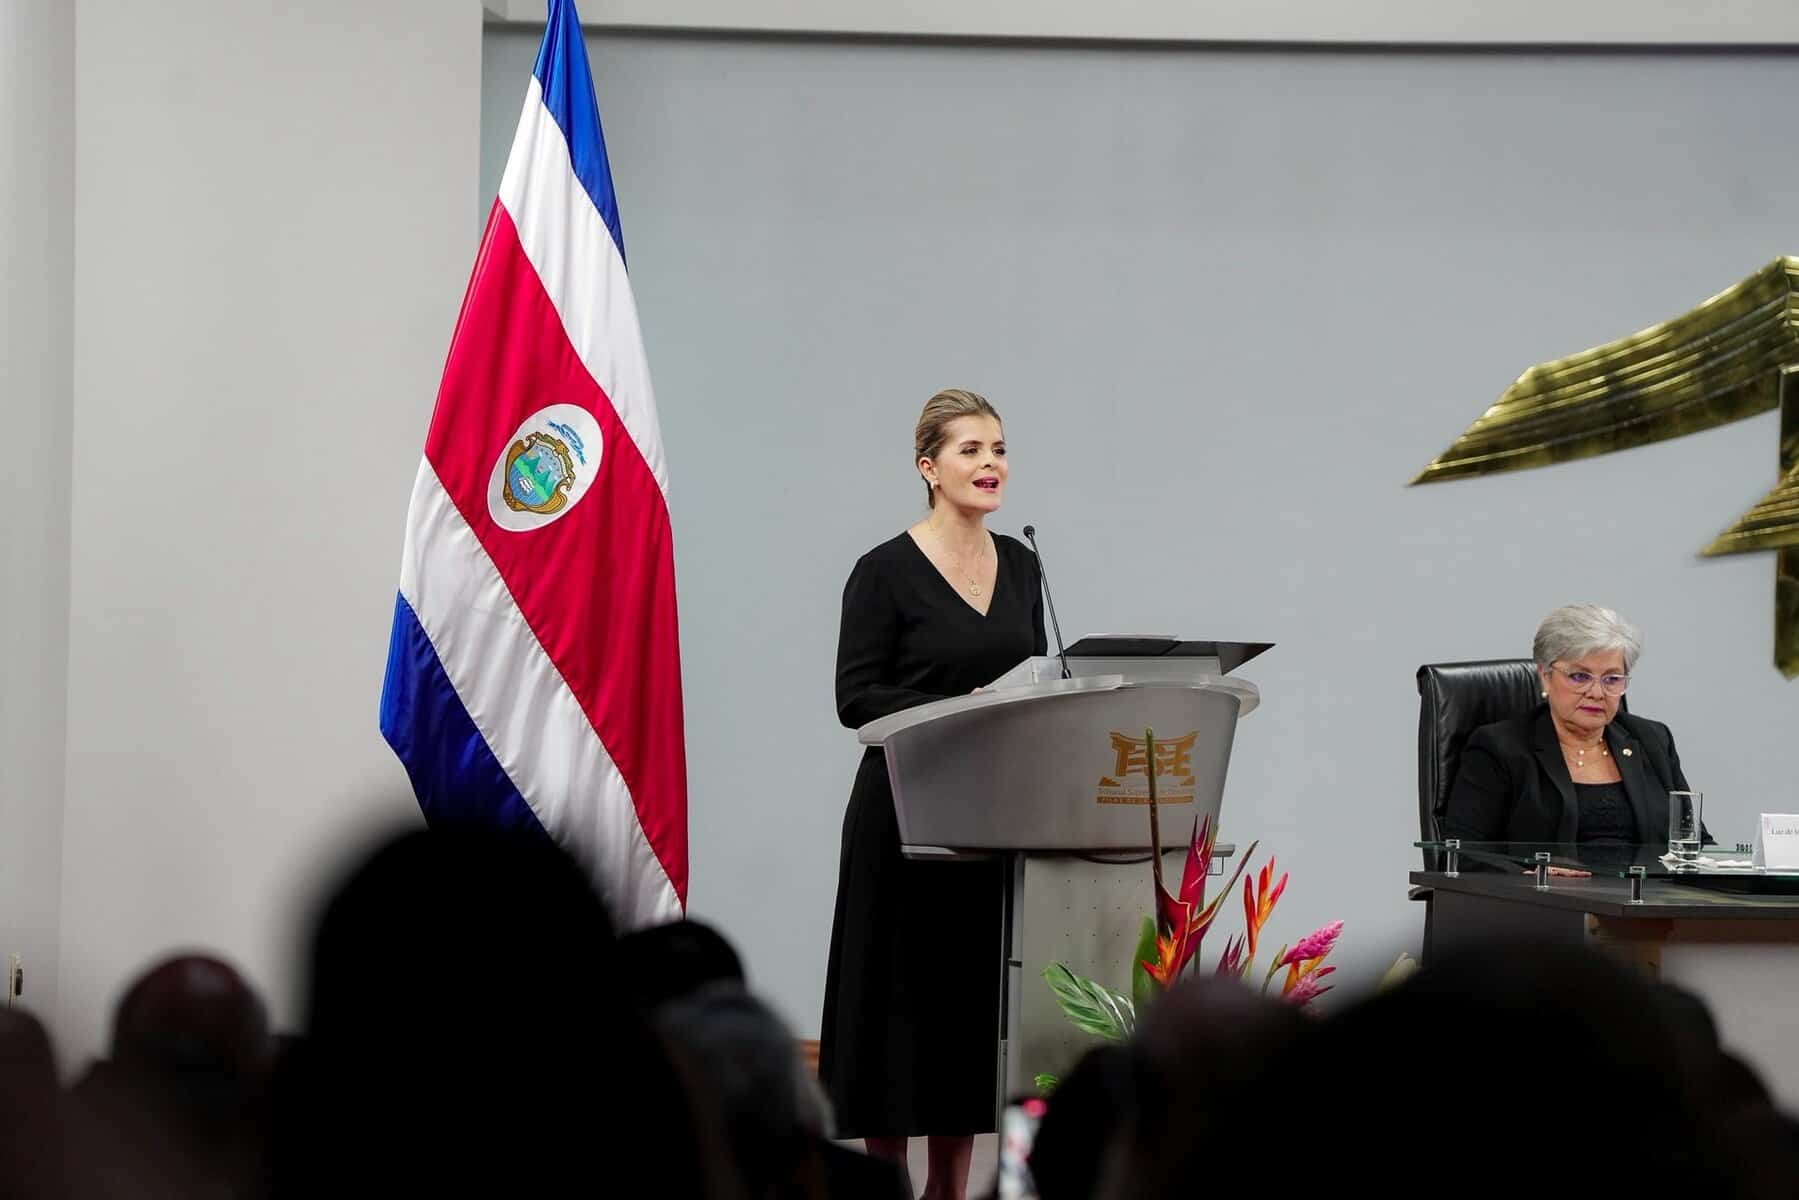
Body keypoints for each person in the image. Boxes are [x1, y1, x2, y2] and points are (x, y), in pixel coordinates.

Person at [819, 388, 1045, 1200]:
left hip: (995, 813)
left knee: (964, 1006)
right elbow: (856, 698)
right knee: (897, 999)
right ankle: (886, 1184)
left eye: (999, 449)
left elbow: (1036, 681)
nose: (991, 465)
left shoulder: (1022, 564)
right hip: (903, 809)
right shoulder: (881, 572)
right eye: (971, 450)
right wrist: (963, 708)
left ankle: (952, 1188)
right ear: (928, 467)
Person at [1442, 604, 1696, 858]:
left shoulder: (1652, 740)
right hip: (1544, 897)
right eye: (1579, 677)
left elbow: (1693, 844)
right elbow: (1460, 857)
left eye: (1612, 679)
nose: (1596, 693)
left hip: (1643, 896)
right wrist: (1536, 873)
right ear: (1545, 676)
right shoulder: (1500, 748)